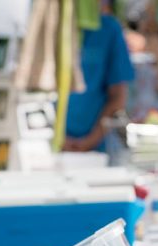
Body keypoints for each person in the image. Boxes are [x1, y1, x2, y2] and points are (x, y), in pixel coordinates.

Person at [63, 13, 134, 154]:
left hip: (97, 148)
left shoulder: (109, 29)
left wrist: (90, 140)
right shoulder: (46, 23)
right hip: (42, 143)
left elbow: (118, 95)